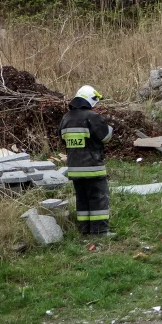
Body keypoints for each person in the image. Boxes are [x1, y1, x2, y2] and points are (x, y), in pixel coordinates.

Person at [59, 85, 113, 235]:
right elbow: (105, 137)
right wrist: (109, 127)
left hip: (74, 169)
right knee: (98, 199)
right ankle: (100, 231)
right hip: (92, 167)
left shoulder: (66, 118)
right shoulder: (92, 117)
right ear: (91, 100)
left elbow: (63, 139)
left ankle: (84, 230)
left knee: (82, 200)